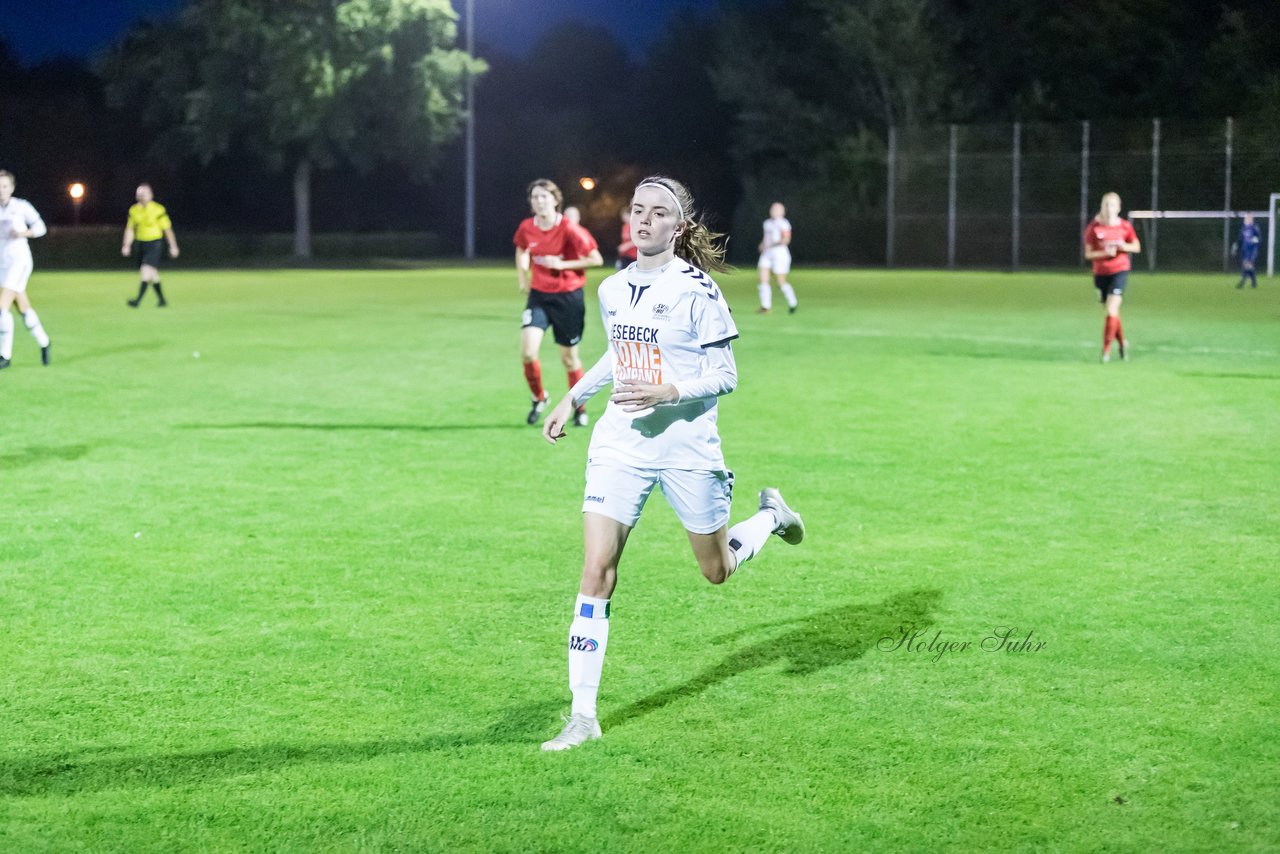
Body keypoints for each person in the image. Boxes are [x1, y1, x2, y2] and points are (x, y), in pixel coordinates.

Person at [538, 176, 806, 751]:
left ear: (677, 227)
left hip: (687, 449)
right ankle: (582, 716)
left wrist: (668, 391)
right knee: (596, 570)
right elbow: (618, 352)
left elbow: (727, 375)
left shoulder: (698, 290)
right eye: (637, 210)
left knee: (715, 570)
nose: (643, 220)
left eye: (658, 213)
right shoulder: (612, 289)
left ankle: (772, 517)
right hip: (621, 445)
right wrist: (574, 395)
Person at [514, 179, 604, 427]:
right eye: (535, 197)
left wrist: (561, 264)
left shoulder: (569, 229)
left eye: (544, 196)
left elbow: (596, 259)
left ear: (555, 200)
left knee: (569, 359)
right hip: (539, 296)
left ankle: (579, 408)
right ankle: (539, 397)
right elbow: (522, 248)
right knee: (528, 352)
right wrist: (523, 275)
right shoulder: (526, 227)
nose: (539, 201)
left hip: (568, 297)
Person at [0, 170, 52, 369]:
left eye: (5, 186)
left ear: (12, 188)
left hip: (19, 262)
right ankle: (44, 342)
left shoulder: (21, 207)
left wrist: (23, 232)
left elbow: (41, 227)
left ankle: (5, 356)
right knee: (22, 308)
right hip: (3, 264)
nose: (1, 190)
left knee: (1, 308)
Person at [1083, 192, 1140, 363]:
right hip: (1100, 274)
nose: (1109, 208)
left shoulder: (1124, 226)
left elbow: (1136, 246)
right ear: (1101, 207)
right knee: (1112, 313)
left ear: (1118, 208)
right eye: (1106, 205)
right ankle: (1122, 344)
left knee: (1111, 309)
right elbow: (1088, 253)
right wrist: (1104, 253)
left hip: (1119, 271)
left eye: (1112, 205)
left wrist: (1124, 246)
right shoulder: (1094, 228)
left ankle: (1106, 351)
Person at [122, 183, 180, 307]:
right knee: (152, 274)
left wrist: (173, 246)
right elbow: (130, 229)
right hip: (141, 244)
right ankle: (162, 300)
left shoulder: (158, 209)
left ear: (150, 195)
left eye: (143, 194)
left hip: (155, 243)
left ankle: (137, 301)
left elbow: (167, 229)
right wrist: (126, 245)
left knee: (146, 270)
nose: (140, 197)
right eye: (138, 195)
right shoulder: (133, 210)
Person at [756, 201, 797, 314]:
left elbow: (786, 239)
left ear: (782, 212)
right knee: (763, 278)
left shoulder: (784, 223)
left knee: (780, 281)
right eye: (773, 209)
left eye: (777, 209)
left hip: (780, 253)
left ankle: (792, 303)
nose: (774, 211)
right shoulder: (767, 223)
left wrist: (774, 243)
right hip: (767, 253)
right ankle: (765, 306)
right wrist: (762, 245)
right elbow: (766, 238)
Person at [1233, 213, 1261, 289]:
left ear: (1251, 219)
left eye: (1248, 218)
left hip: (1252, 250)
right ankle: (1254, 283)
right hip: (1245, 250)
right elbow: (1240, 239)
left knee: (1247, 266)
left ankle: (1242, 282)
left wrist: (1255, 245)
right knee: (1249, 267)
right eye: (1245, 218)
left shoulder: (1254, 228)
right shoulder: (1244, 228)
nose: (1246, 219)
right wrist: (1236, 246)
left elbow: (1258, 240)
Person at [615, 205, 636, 270]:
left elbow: (636, 240)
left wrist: (626, 246)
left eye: (624, 215)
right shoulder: (624, 226)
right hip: (625, 255)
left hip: (633, 256)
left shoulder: (634, 226)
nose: (623, 217)